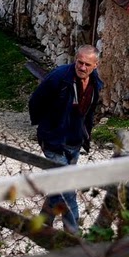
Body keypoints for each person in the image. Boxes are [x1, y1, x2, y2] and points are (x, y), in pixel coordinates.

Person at [27, 44, 103, 234]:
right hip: (53, 142)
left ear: (95, 65)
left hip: (74, 142)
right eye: (80, 62)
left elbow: (89, 113)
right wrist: (47, 127)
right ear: (75, 60)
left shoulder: (95, 84)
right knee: (68, 188)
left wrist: (85, 135)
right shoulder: (59, 77)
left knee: (58, 184)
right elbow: (35, 102)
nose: (82, 67)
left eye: (87, 64)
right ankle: (73, 235)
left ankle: (43, 223)